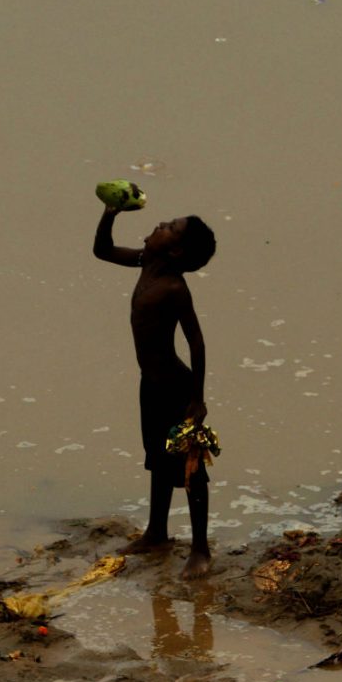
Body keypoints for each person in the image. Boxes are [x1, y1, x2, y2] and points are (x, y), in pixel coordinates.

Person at [94, 203, 217, 579]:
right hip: (151, 384)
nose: (160, 223)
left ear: (176, 250)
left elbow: (195, 341)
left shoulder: (174, 288)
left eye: (169, 226)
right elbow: (102, 250)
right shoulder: (146, 262)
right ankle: (157, 534)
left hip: (176, 389)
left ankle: (200, 550)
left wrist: (197, 398)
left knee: (191, 466)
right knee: (157, 459)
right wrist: (110, 213)